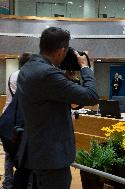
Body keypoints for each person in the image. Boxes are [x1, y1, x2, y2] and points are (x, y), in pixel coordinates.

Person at [16, 27, 99, 189]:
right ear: (61, 50)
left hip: (34, 151)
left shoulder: (28, 68)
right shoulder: (48, 75)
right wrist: (85, 68)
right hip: (52, 159)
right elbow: (91, 96)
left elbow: (51, 97)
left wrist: (67, 79)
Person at [1, 53, 31, 189]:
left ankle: (7, 183)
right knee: (25, 156)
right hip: (20, 120)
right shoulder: (28, 77)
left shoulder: (12, 75)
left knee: (9, 155)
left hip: (7, 117)